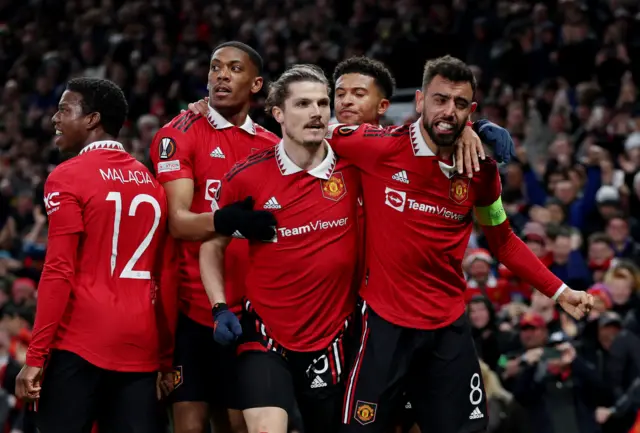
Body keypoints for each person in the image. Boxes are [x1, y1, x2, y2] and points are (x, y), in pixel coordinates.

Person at [324, 56, 594, 433]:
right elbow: (313, 132)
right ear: (419, 101)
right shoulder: (378, 147)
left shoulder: (482, 174)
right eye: (439, 100)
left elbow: (504, 241)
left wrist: (559, 291)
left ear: (472, 109)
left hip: (447, 328)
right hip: (385, 322)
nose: (448, 112)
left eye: (460, 104)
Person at [200, 64, 362, 433]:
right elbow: (212, 245)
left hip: (334, 339)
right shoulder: (245, 176)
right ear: (278, 114)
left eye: (323, 103)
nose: (317, 112)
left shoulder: (355, 167)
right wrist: (220, 307)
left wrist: (471, 130)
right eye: (303, 104)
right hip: (265, 334)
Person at [15, 77, 173, 433]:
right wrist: (165, 356)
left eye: (63, 110)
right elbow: (164, 274)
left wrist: (35, 356)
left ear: (92, 120)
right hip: (141, 344)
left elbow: (58, 270)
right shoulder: (151, 182)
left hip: (81, 341)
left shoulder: (68, 177)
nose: (54, 119)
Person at [149, 41, 278, 433]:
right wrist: (231, 221)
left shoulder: (273, 148)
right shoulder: (179, 132)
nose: (221, 75)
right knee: (190, 424)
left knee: (239, 424)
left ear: (256, 84)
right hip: (191, 308)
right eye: (215, 67)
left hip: (252, 310)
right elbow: (177, 222)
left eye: (234, 69)